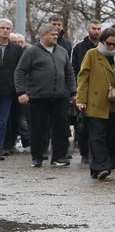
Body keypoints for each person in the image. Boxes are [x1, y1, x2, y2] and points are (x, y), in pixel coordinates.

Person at [14, 24, 76, 168]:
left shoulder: (62, 51)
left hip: (60, 96)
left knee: (60, 128)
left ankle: (59, 157)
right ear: (42, 36)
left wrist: (73, 92)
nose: (55, 36)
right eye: (52, 34)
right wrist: (21, 92)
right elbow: (20, 72)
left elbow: (69, 72)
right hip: (37, 97)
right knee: (38, 129)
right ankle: (37, 156)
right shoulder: (31, 51)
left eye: (56, 34)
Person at [75, 28, 115, 180]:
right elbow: (83, 77)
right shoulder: (92, 54)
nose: (111, 47)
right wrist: (81, 99)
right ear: (102, 41)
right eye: (109, 43)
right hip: (95, 102)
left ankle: (98, 167)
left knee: (112, 136)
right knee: (97, 136)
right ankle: (102, 166)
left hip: (114, 102)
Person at [71, 20, 103, 164]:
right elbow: (74, 69)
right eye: (93, 28)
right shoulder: (79, 47)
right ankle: (85, 153)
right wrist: (75, 92)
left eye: (99, 29)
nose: (96, 31)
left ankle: (98, 153)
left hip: (101, 91)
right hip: (84, 90)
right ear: (88, 29)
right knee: (83, 123)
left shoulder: (105, 46)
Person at [0, 19, 23, 158]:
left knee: (3, 121)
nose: (5, 30)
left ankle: (1, 147)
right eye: (2, 27)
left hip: (7, 91)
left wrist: (18, 88)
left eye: (8, 28)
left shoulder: (17, 49)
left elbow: (20, 70)